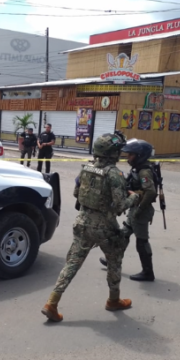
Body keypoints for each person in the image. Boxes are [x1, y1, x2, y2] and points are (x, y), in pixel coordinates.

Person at [41, 132, 139, 322]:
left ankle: (52, 303)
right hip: (105, 227)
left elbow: (77, 192)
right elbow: (120, 206)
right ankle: (113, 300)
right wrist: (134, 197)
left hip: (82, 222)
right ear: (112, 153)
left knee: (72, 263)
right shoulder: (114, 174)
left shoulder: (86, 169)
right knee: (114, 260)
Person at [99, 139, 157, 282]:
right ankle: (113, 261)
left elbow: (150, 193)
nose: (128, 157)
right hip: (135, 209)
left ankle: (148, 272)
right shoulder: (138, 169)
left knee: (142, 242)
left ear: (140, 155)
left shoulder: (144, 172)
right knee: (123, 235)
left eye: (131, 155)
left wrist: (139, 209)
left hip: (141, 210)